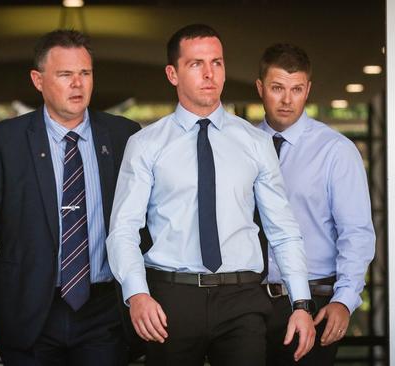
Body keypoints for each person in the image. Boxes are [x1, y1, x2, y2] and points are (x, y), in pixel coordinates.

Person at [106, 24, 315, 366]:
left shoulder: (255, 143)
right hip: (171, 299)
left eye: (217, 63)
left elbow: (283, 229)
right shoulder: (146, 145)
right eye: (196, 64)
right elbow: (123, 230)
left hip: (242, 298)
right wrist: (137, 294)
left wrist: (301, 303)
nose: (209, 74)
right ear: (172, 73)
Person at [0, 29, 141, 365]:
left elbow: (145, 222)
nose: (78, 84)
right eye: (65, 74)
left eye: (85, 73)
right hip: (27, 311)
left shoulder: (124, 135)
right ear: (38, 80)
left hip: (103, 310)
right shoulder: (4, 141)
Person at [255, 43, 376, 366]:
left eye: (296, 89)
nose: (286, 100)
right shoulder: (243, 145)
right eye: (277, 88)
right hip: (247, 303)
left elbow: (357, 233)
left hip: (314, 300)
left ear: (308, 89)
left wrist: (345, 301)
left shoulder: (335, 151)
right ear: (260, 87)